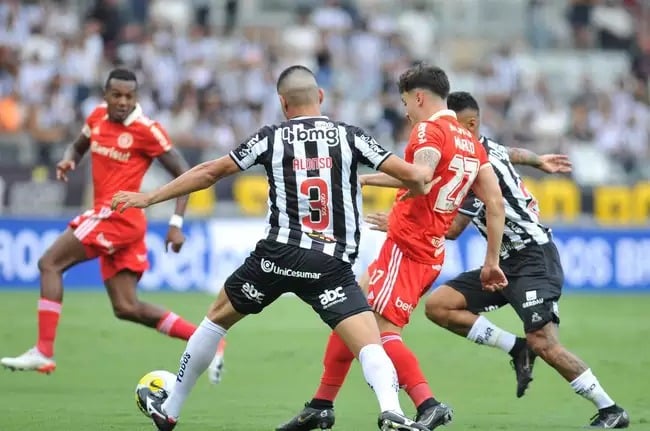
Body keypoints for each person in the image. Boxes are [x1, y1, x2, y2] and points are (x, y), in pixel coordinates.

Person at [112, 65, 437, 431]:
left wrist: (151, 196)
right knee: (368, 342)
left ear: (283, 103)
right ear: (321, 97)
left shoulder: (270, 138)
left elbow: (210, 172)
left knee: (215, 320)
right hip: (329, 264)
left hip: (276, 257)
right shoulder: (351, 137)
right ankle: (391, 410)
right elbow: (416, 176)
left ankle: (170, 409)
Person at [277, 65, 508, 431]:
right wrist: (491, 260)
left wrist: (386, 185)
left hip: (408, 247)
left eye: (405, 102)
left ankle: (427, 403)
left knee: (381, 333)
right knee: (347, 317)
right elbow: (495, 204)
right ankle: (321, 404)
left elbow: (420, 178)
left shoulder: (428, 131)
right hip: (426, 249)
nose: (406, 111)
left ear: (419, 97)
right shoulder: (470, 142)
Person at [411, 91, 627, 429]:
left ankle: (611, 409)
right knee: (439, 305)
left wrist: (407, 217)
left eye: (448, 125)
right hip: (506, 261)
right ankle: (516, 348)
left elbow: (453, 230)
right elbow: (512, 152)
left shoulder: (471, 166)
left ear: (469, 124)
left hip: (533, 258)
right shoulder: (481, 147)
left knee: (545, 342)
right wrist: (538, 159)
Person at [1, 68, 226, 384]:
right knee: (126, 307)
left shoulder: (148, 130)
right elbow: (79, 145)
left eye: (129, 97)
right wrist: (69, 161)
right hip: (117, 222)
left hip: (117, 217)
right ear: (105, 95)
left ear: (136, 98)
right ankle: (208, 340)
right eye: (116, 95)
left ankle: (43, 350)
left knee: (49, 263)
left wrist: (176, 224)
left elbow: (185, 175)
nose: (122, 102)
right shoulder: (96, 118)